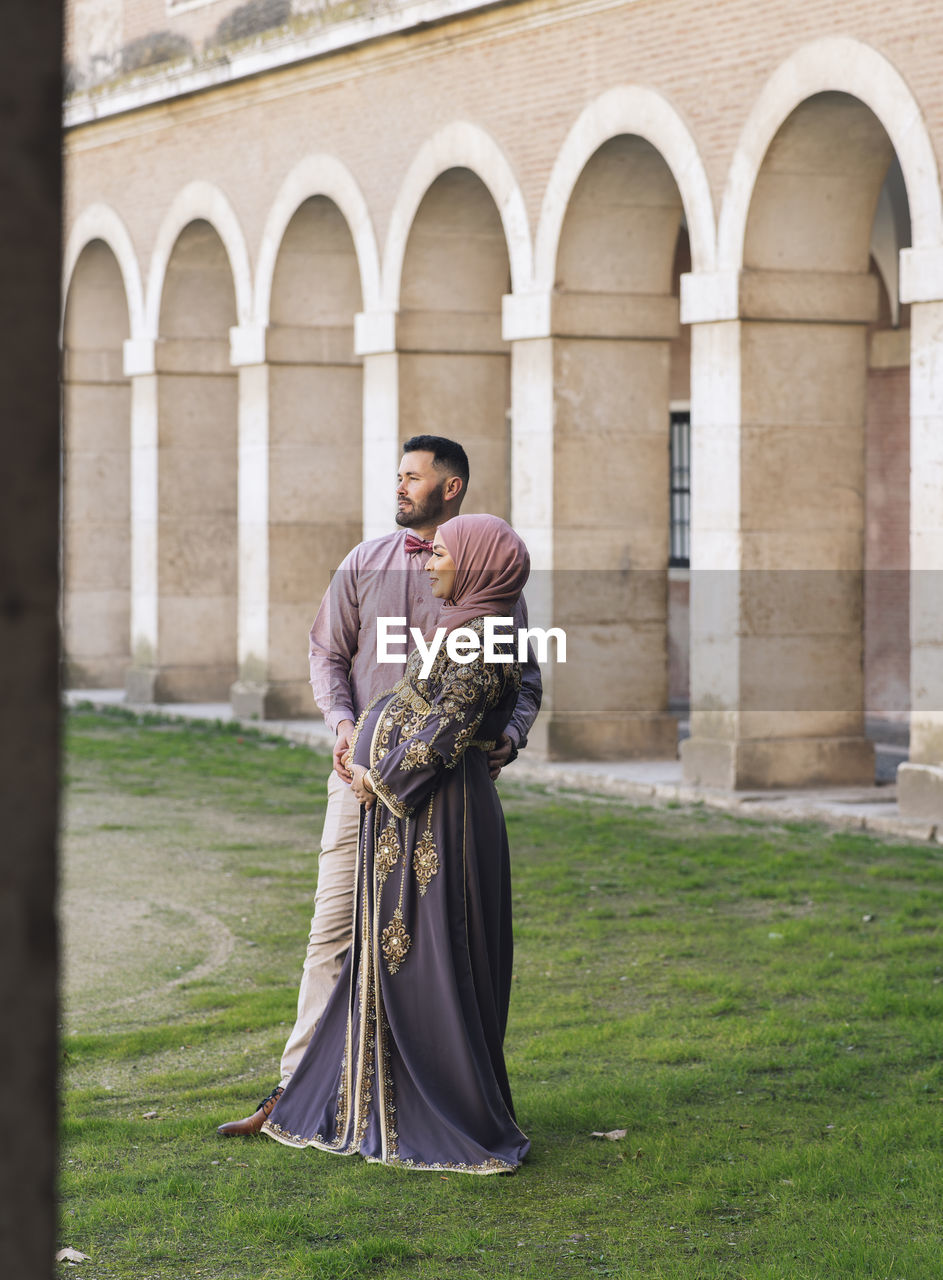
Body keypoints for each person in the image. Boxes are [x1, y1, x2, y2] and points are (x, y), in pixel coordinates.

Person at [217, 437, 541, 1136]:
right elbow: (326, 653)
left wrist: (507, 741)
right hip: (357, 789)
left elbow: (520, 683)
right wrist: (342, 728)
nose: (399, 487)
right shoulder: (364, 563)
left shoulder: (487, 576)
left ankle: (412, 1099)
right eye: (397, 475)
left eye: (412, 477)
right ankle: (296, 1089)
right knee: (333, 932)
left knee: (432, 950)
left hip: (440, 806)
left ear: (449, 487)